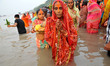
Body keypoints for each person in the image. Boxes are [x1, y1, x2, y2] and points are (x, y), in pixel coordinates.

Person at [45, 0, 77, 65]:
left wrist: (63, 31)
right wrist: (55, 29)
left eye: (60, 8)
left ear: (64, 9)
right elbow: (47, 37)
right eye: (56, 9)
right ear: (53, 10)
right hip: (56, 49)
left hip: (67, 50)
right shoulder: (50, 22)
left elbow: (75, 37)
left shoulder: (69, 21)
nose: (58, 11)